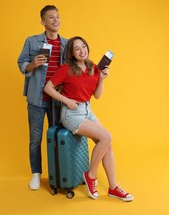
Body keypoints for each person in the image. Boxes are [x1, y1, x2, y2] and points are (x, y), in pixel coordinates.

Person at [44, 36, 134, 201]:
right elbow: (48, 88)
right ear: (71, 53)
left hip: (87, 109)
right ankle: (91, 175)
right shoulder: (66, 69)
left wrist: (102, 79)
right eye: (77, 48)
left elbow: (97, 96)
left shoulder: (94, 68)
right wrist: (67, 100)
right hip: (71, 113)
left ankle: (113, 187)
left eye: (83, 46)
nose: (82, 50)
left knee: (107, 144)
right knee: (106, 136)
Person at [17, 5, 68, 190]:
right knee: (35, 139)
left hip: (58, 100)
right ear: (43, 22)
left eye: (58, 16)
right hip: (36, 100)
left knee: (57, 137)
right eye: (51, 17)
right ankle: (36, 175)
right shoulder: (32, 42)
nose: (56, 20)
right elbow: (21, 64)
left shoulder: (67, 44)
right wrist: (32, 64)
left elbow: (74, 69)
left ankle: (58, 174)